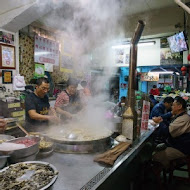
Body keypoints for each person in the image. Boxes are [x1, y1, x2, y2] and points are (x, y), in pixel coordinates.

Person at [152, 96, 190, 168]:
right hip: (174, 143)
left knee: (156, 157)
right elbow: (171, 125)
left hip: (181, 148)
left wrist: (160, 122)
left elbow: (168, 132)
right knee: (156, 148)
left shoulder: (184, 118)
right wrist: (162, 120)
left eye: (173, 105)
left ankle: (167, 168)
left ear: (179, 106)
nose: (171, 107)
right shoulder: (179, 116)